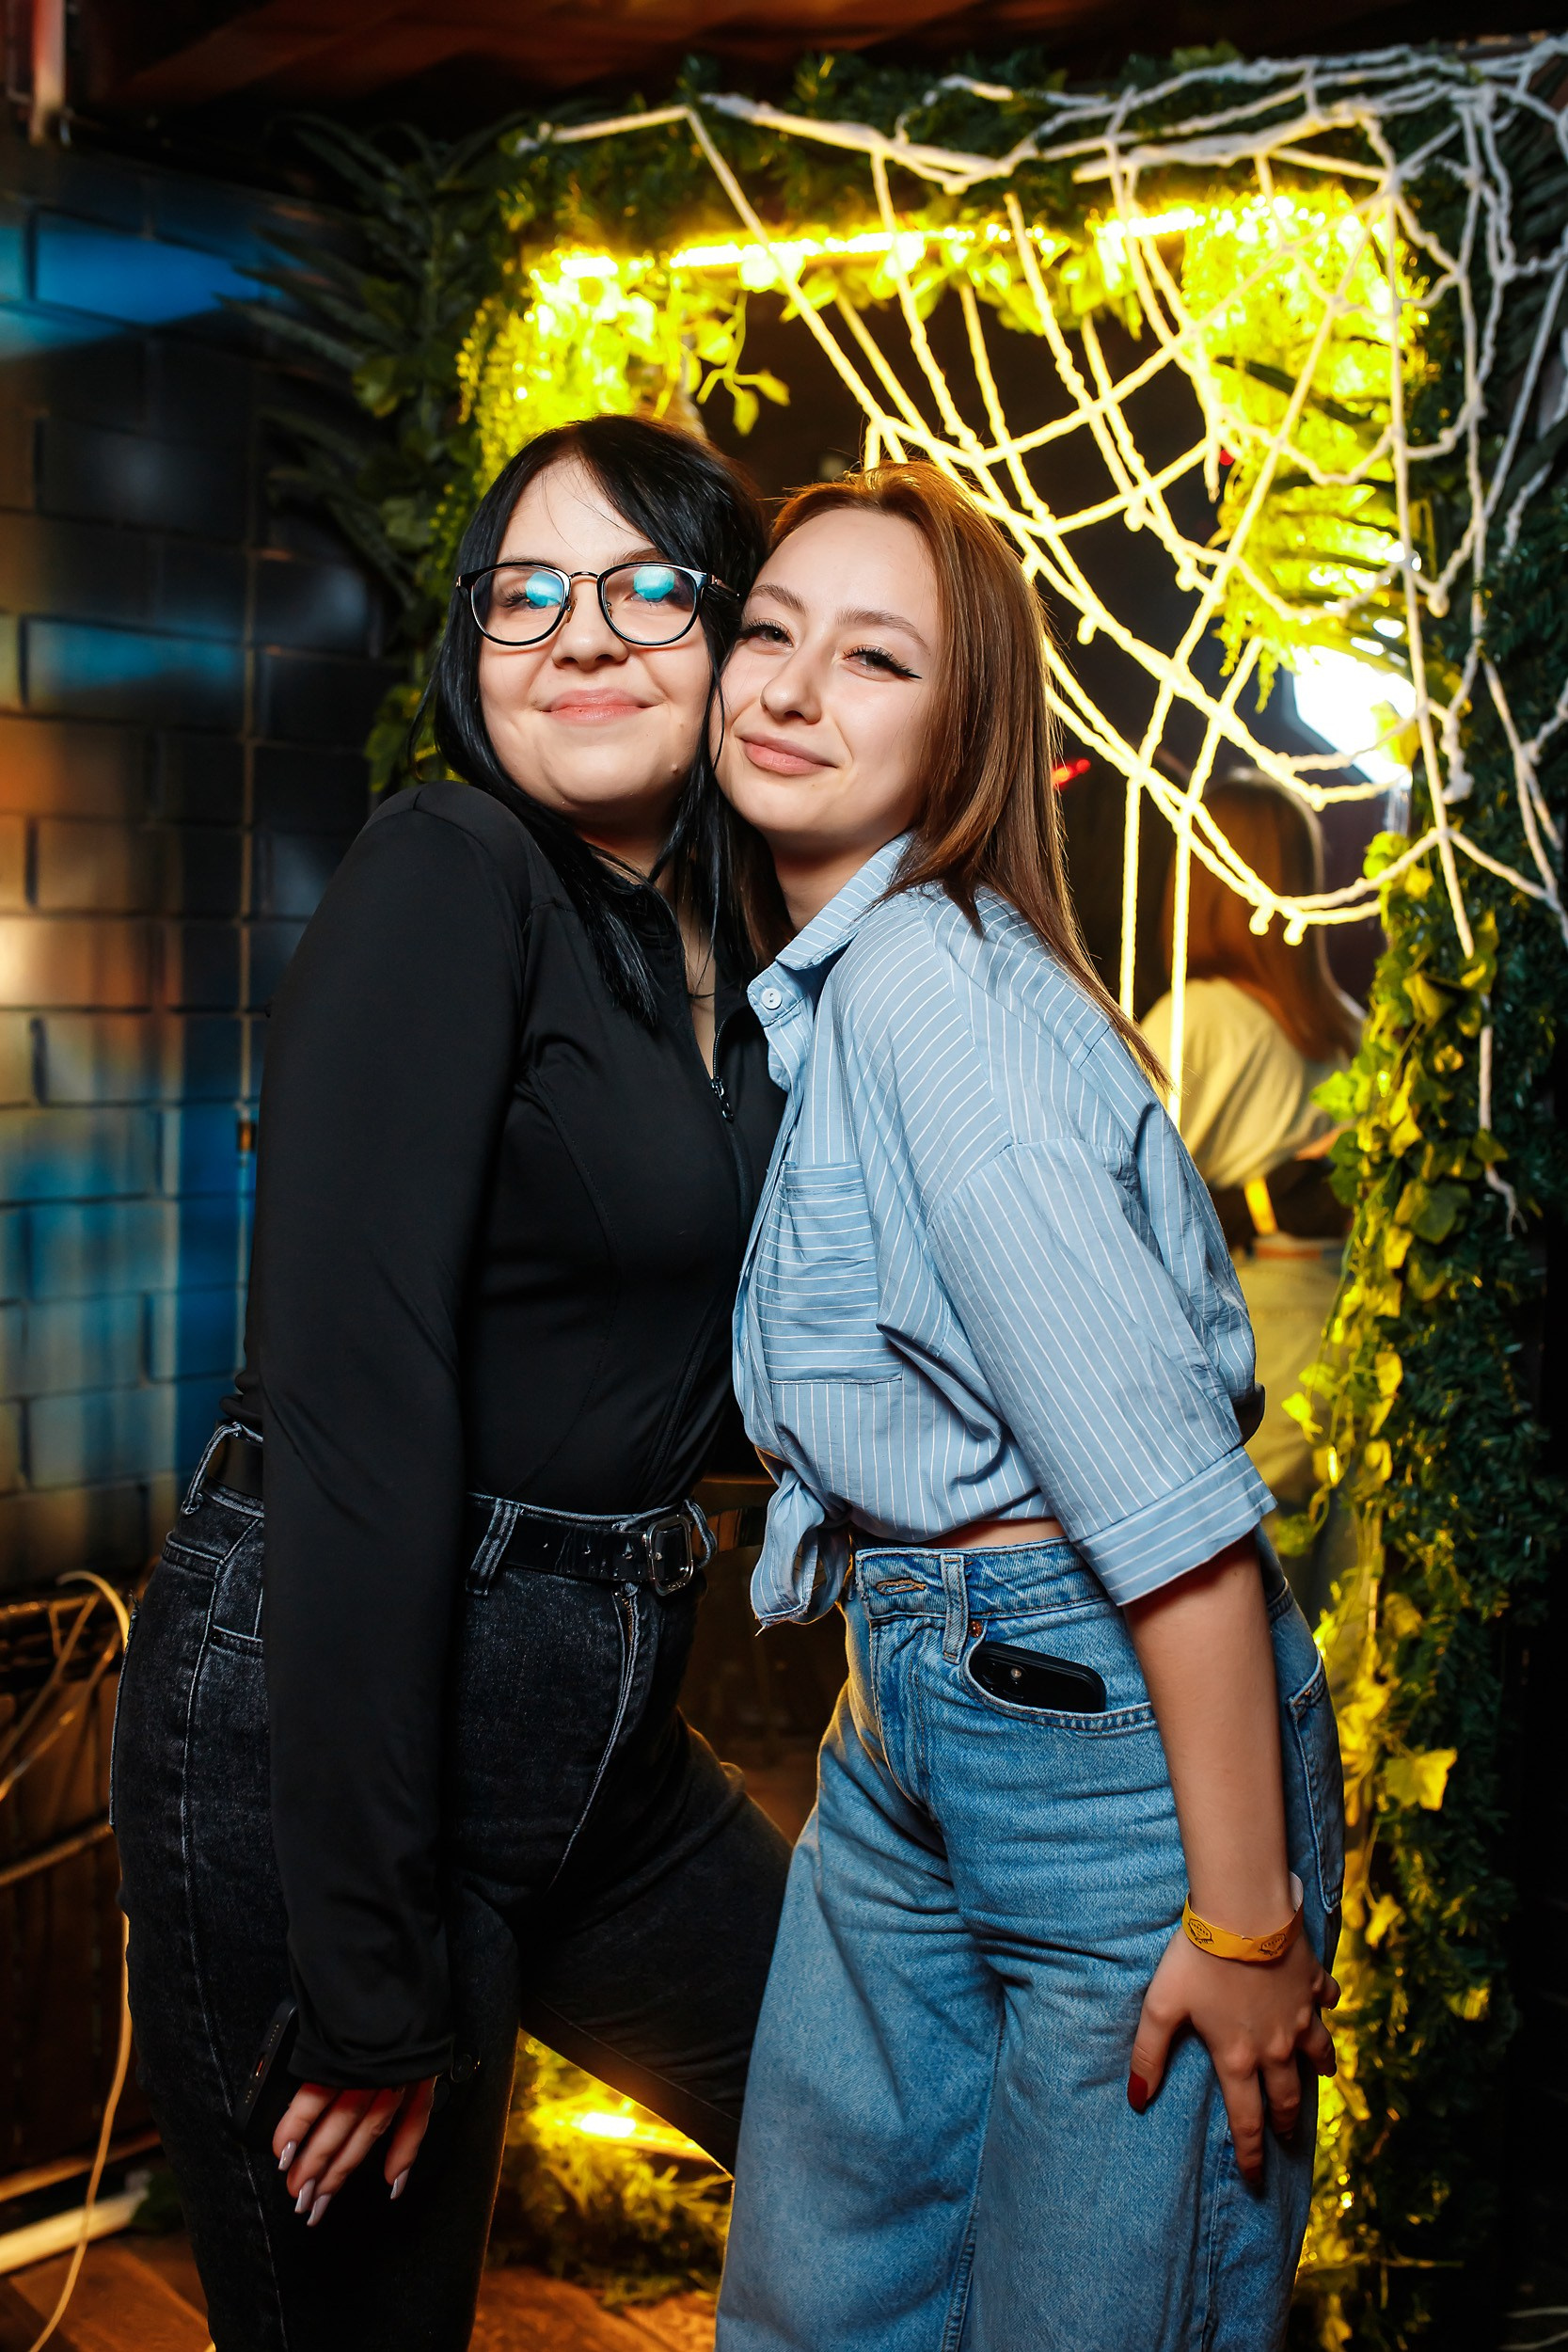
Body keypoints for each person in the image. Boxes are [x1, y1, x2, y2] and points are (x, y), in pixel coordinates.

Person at [112, 415, 793, 2351]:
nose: (578, 633)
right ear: (468, 642)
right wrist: (366, 1959)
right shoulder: (449, 868)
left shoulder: (727, 947)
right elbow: (356, 1417)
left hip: (599, 1738)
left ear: (735, 633)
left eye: (647, 586)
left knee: (892, 2114)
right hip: (329, 1727)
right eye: (525, 591)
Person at [709, 464, 1345, 2352]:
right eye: (769, 630)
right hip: (918, 1695)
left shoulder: (929, 990)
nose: (791, 683)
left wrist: (1242, 1923)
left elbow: (1168, 1506)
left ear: (961, 726)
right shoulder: (851, 979)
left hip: (1106, 1732)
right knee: (819, 2302)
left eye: (873, 656)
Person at [1141, 777, 1362, 1521]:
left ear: (1205, 879)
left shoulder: (1196, 1020)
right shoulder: (1350, 1029)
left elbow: (1119, 1206)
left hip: (1251, 1341)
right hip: (1342, 1336)